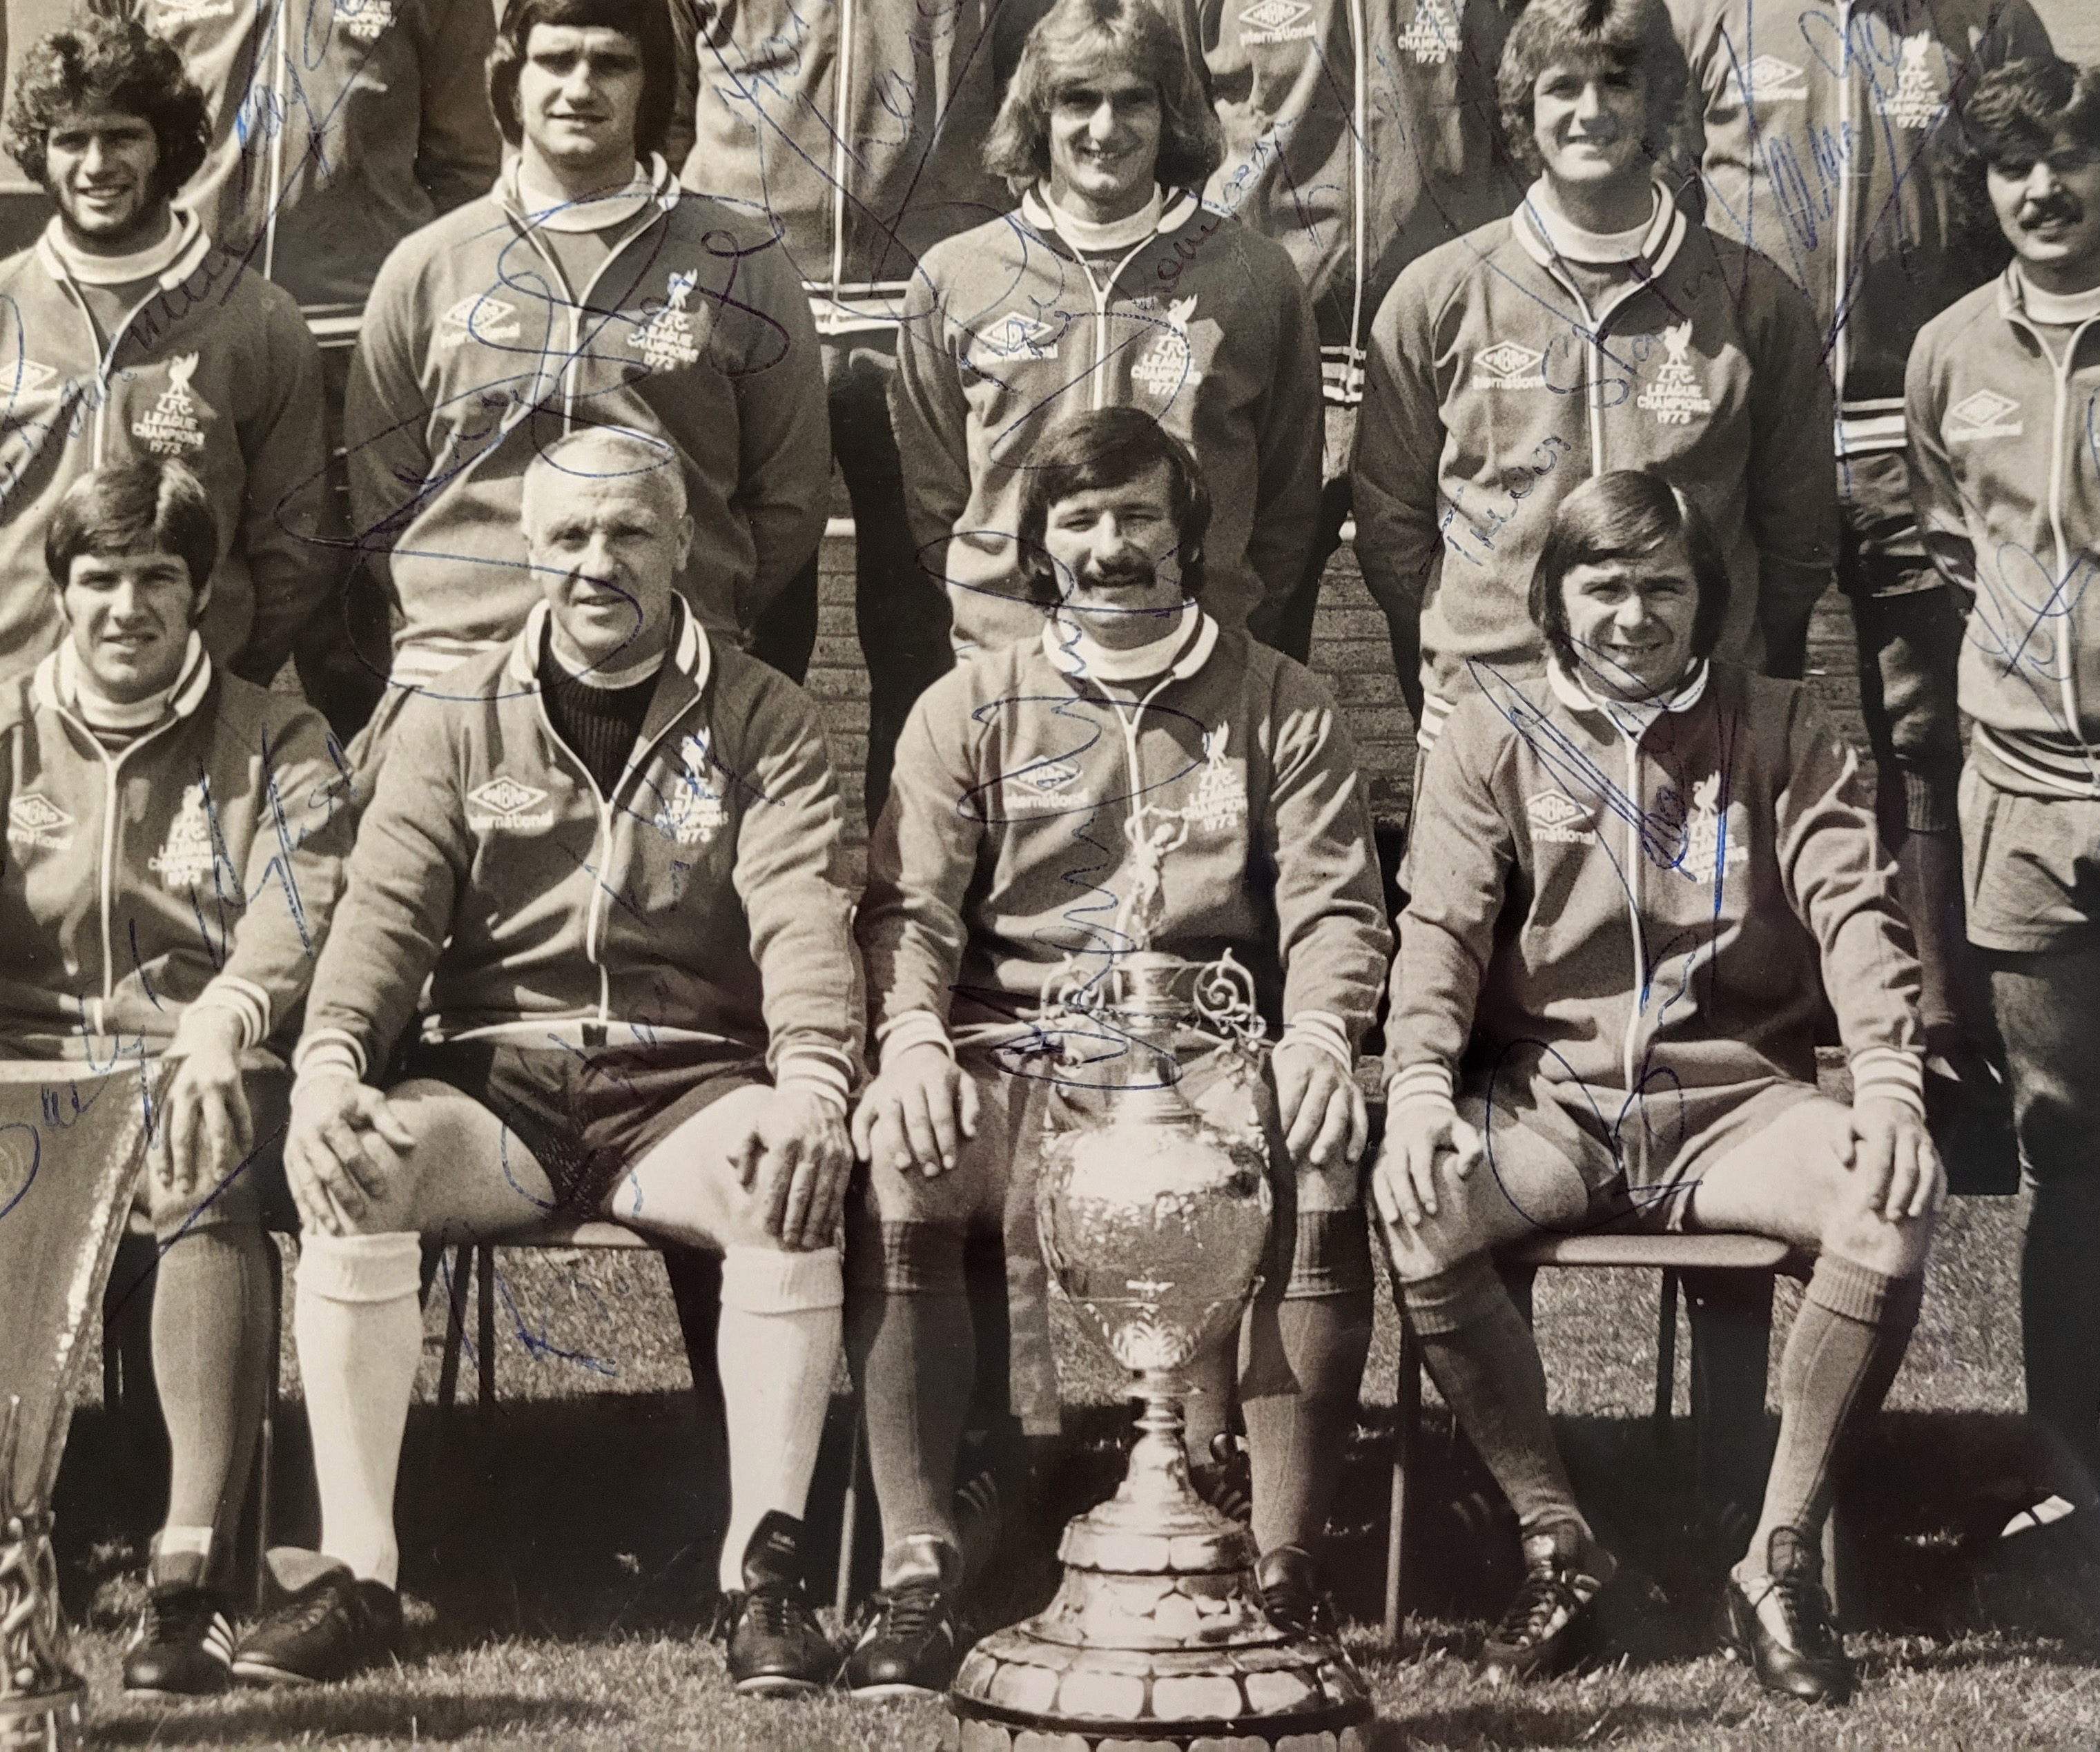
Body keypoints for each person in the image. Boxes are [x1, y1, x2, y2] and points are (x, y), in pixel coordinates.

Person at [233, 426, 862, 1697]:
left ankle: (764, 1579)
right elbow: (384, 911)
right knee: (360, 1166)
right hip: (500, 1076)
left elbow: (803, 912)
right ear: (526, 553)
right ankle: (359, 1568)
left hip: (683, 1080)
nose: (595, 564)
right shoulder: (453, 714)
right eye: (567, 537)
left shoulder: (762, 713)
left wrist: (810, 1081)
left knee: (780, 1184)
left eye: (628, 531)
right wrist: (332, 1066)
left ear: (684, 544)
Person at [847, 407, 1390, 1697]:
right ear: (1037, 546)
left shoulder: (1279, 698)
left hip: (1204, 1035)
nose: (1110, 547)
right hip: (1018, 1032)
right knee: (907, 1164)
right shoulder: (969, 703)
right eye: (1079, 522)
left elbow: (1334, 907)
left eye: (1138, 515)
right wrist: (913, 1035)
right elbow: (910, 908)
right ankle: (917, 1568)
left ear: (1188, 533)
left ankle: (1280, 1560)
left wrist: (1318, 1030)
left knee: (1309, 1151)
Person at [1378, 469, 1941, 1703]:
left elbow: (1855, 906)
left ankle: (1776, 1558)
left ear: (1708, 596)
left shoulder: (1787, 724)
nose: (1634, 613)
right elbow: (1442, 928)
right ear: (1555, 595)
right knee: (1423, 1199)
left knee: (1887, 1197)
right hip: (1557, 1098)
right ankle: (1555, 1538)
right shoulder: (1489, 728)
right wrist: (1418, 1081)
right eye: (1605, 584)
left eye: (1663, 586)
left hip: (1734, 1105)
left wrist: (1889, 1081)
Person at [0, 457, 353, 1697]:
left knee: (199, 1151)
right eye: (99, 579)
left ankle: (191, 1577)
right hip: (25, 1081)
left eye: (158, 577)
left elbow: (302, 903)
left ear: (203, 591)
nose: (126, 607)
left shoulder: (274, 732)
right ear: (60, 591)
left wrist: (223, 1017)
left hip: (195, 1068)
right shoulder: (5, 728)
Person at [1668, 0, 2055, 1117]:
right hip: (1755, 423)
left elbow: (2023, 191)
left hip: (1916, 425)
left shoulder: (1982, 18)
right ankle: (1753, 1007)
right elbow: (1655, 196)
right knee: (1743, 716)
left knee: (1924, 724)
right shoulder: (1703, 17)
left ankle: (1944, 1023)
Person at [1352, 0, 1835, 755]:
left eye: (1617, 81)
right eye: (1561, 87)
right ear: (1522, 107)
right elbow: (1392, 529)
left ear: (1661, 100)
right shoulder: (1438, 292)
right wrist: (1474, 650)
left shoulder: (1753, 297)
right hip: (1495, 719)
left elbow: (1797, 535)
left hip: (1694, 716)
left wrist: (1720, 657)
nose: (1591, 111)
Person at [341, 0, 829, 726]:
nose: (579, 87)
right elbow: (384, 493)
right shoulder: (427, 265)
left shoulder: (741, 261)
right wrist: (456, 594)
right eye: (556, 60)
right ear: (512, 82)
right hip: (461, 660)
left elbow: (788, 494)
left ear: (652, 84)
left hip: (664, 652)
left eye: (611, 63)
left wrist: (695, 592)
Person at [1908, 54, 2100, 1551]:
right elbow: (1955, 550)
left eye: (2074, 157)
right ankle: (2073, 1473)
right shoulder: (1949, 352)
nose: (2046, 189)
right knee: (2059, 1133)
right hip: (2029, 791)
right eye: (2014, 166)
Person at [891, 0, 1323, 663]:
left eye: (1133, 101)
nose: (1105, 127)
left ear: (1169, 113)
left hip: (1196, 663)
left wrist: (1226, 617)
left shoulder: (1255, 278)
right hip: (1013, 671)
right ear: (1039, 114)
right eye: (1078, 100)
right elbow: (936, 502)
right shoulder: (957, 277)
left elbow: (1287, 505)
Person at [665, 0, 1009, 811]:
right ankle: (736, 873)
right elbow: (662, 110)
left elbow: (1032, 87)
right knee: (744, 609)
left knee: (924, 619)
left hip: (924, 303)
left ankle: (909, 882)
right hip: (749, 305)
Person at [1163, 0, 1524, 662]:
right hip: (1266, 352)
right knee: (1237, 643)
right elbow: (1165, 128)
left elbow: (1535, 117)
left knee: (1465, 649)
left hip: (1448, 352)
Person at [0, 10, 334, 685]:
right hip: (15, 707)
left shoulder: (259, 320)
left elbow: (294, 553)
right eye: (72, 140)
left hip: (189, 716)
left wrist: (226, 676)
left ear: (170, 146)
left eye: (123, 137)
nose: (97, 165)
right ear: (41, 149)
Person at [0, 0, 500, 295]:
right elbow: (86, 119)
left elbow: (467, 166)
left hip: (359, 321)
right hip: (179, 314)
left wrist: (418, 303)